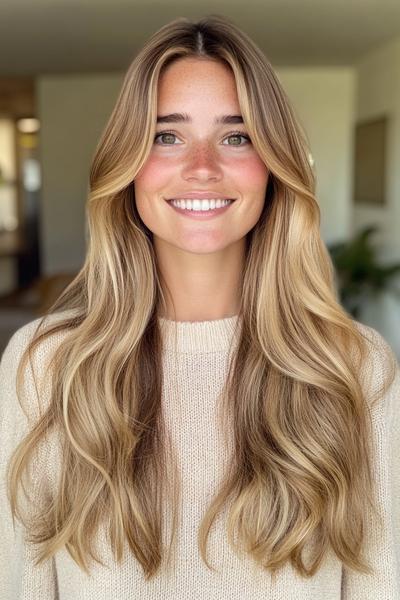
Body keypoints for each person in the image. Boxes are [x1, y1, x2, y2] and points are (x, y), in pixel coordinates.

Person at [0, 13, 399, 600]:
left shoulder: (353, 367)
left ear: (274, 167)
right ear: (128, 165)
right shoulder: (45, 366)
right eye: (168, 135)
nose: (203, 167)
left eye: (236, 136)